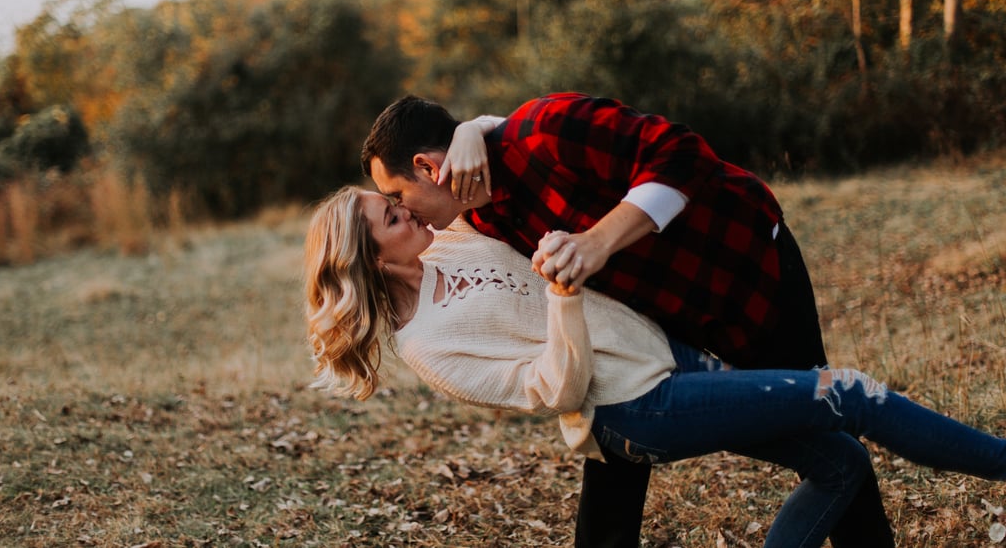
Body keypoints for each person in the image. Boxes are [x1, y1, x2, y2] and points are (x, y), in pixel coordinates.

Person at [303, 186, 1006, 548]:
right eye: (391, 217)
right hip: (637, 408)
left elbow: (472, 171)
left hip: (668, 352)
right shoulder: (430, 344)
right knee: (851, 394)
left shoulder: (450, 241)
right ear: (372, 261)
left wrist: (465, 134)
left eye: (394, 200)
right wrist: (562, 296)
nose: (405, 211)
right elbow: (557, 387)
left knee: (841, 463)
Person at [360, 93, 895, 547]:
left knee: (824, 420)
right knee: (616, 436)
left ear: (429, 168)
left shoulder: (546, 128)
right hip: (656, 321)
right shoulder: (471, 217)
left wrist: (596, 243)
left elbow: (683, 153)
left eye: (397, 196)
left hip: (743, 268)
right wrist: (477, 128)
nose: (403, 210)